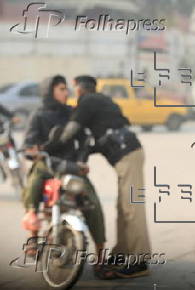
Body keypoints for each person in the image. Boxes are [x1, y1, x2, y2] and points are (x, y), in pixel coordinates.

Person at [58, 75, 151, 278]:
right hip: (126, 155)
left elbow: (72, 130)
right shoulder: (103, 101)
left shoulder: (88, 101)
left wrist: (55, 145)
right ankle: (122, 253)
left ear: (80, 89)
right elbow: (100, 137)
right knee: (123, 207)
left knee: (132, 208)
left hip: (127, 156)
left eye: (74, 90)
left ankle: (140, 261)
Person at [20, 75, 106, 270]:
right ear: (49, 92)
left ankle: (101, 254)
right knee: (34, 179)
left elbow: (84, 139)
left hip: (72, 167)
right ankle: (33, 236)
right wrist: (33, 150)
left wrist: (81, 161)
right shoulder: (39, 116)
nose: (66, 92)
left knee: (92, 202)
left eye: (66, 89)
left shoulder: (73, 113)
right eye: (61, 89)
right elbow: (29, 144)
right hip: (47, 166)